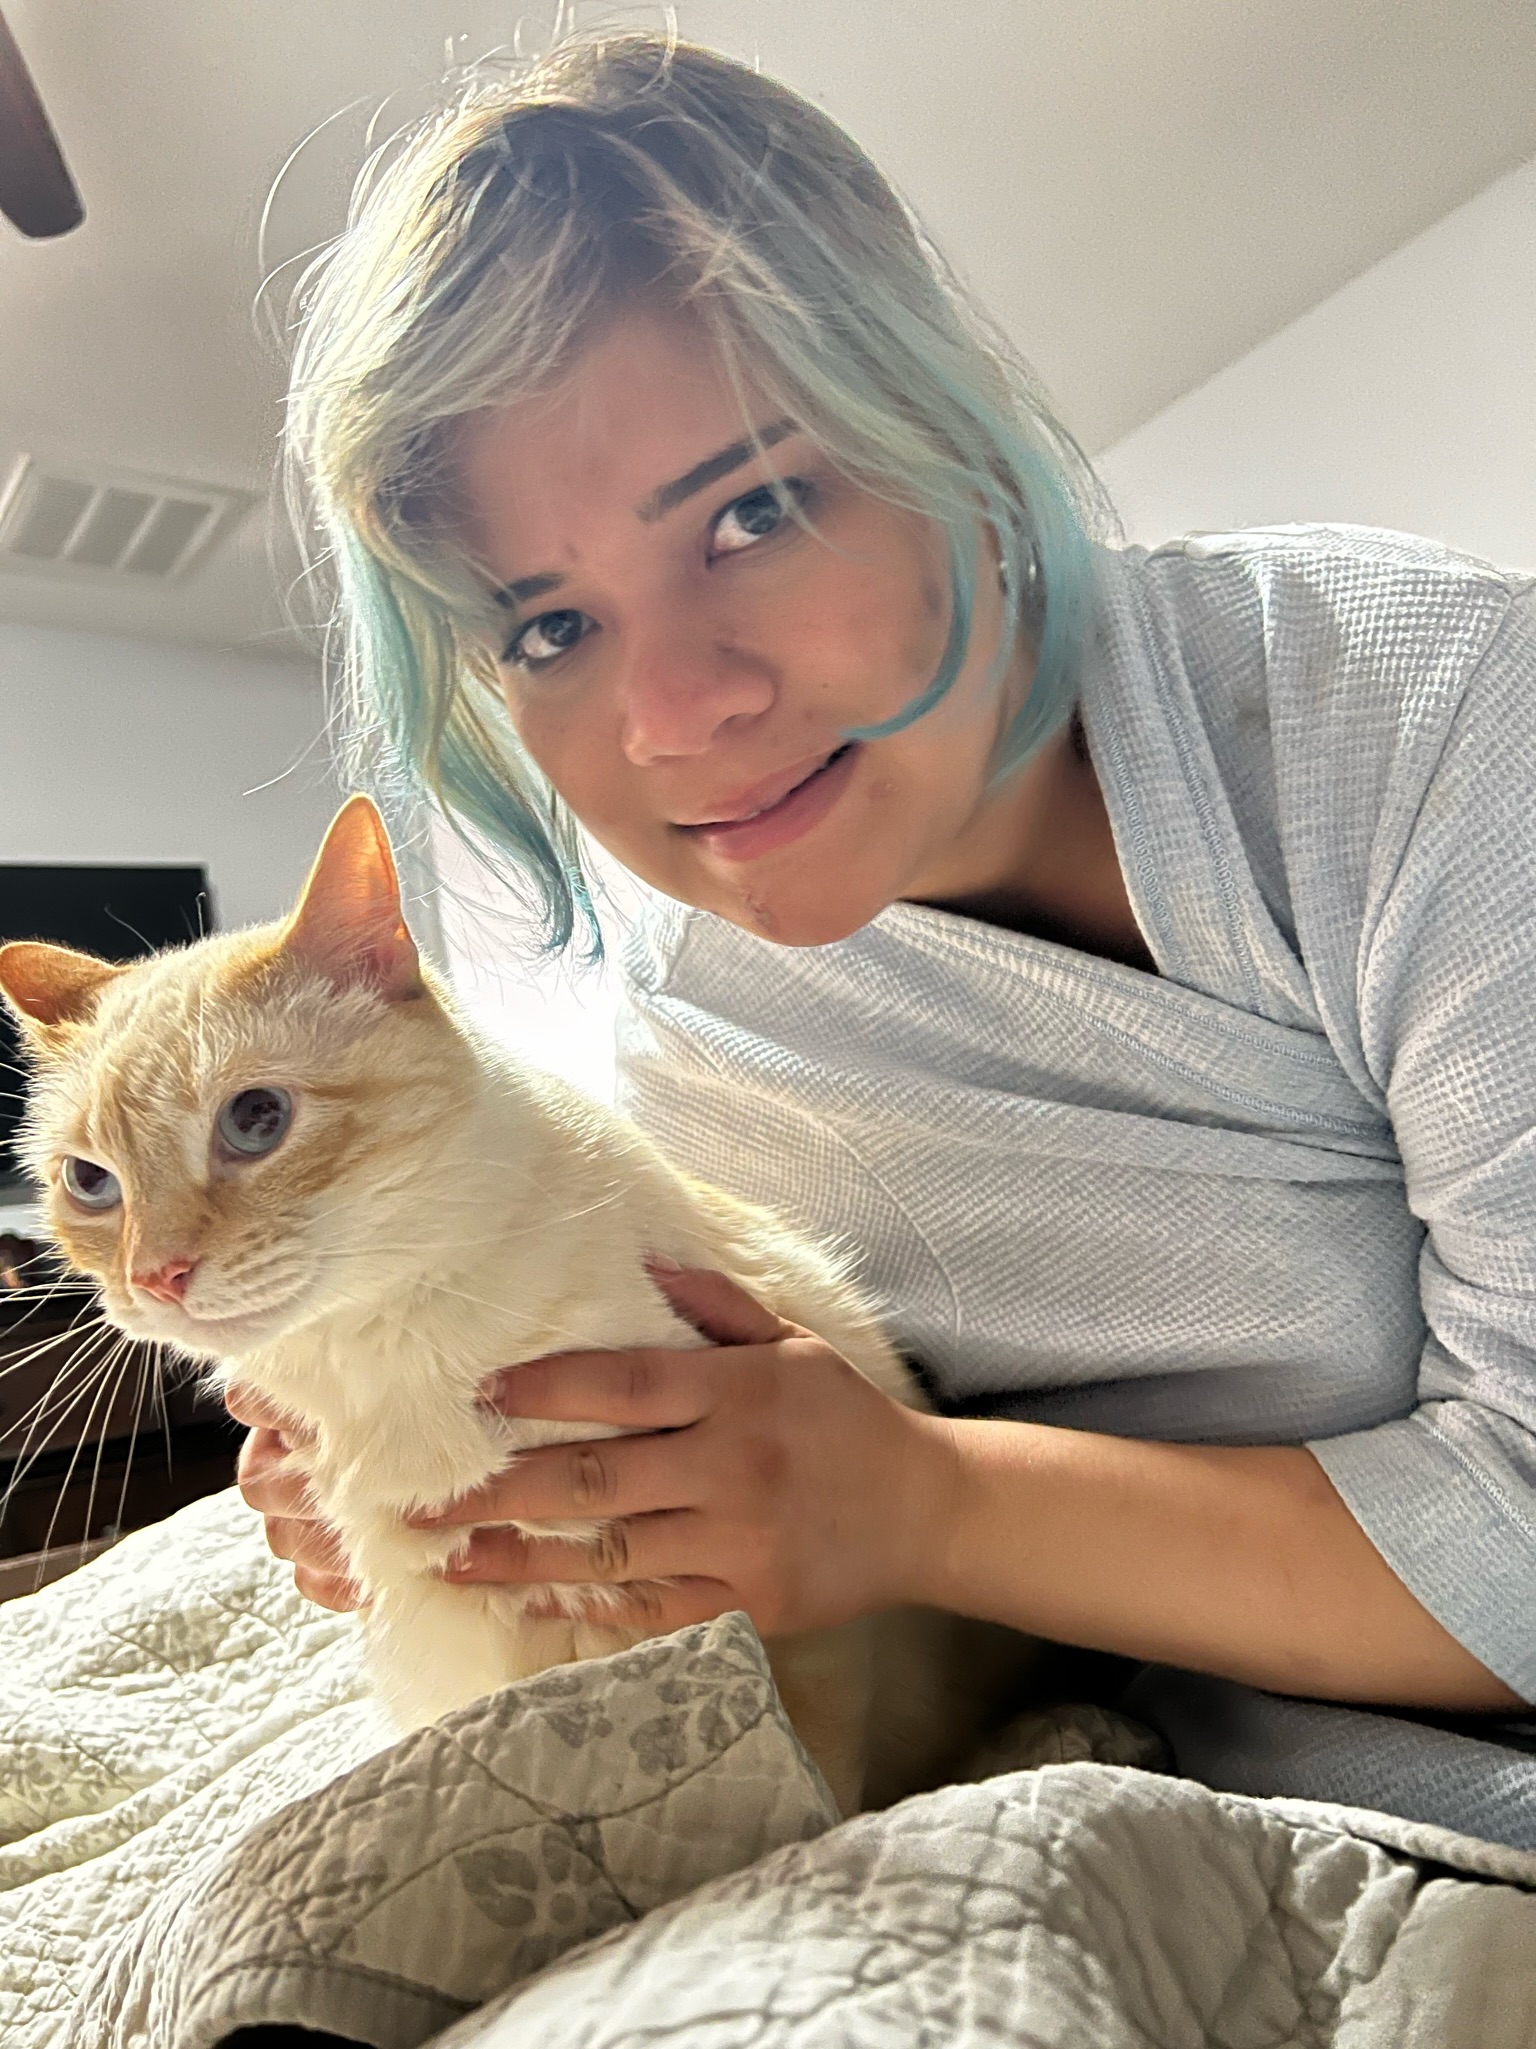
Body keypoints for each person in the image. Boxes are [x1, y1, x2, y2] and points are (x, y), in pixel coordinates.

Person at [234, 29, 1536, 1845]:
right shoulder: (682, 1057)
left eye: (752, 513)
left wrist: (927, 1504)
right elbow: (737, 1488)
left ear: (949, 429)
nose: (673, 716)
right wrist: (454, 1476)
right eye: (547, 628)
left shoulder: (1426, 718)